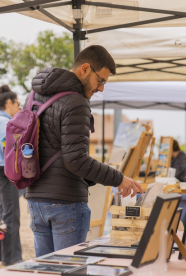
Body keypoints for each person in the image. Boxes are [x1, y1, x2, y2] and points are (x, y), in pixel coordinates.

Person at [26, 45, 143, 257]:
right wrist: (119, 179)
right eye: (101, 81)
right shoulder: (76, 102)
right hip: (65, 202)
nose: (101, 89)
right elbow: (76, 160)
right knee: (71, 270)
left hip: (36, 200)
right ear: (85, 69)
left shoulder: (33, 96)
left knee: (45, 272)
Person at [0, 85, 22, 266]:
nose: (19, 107)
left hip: (0, 169)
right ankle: (11, 257)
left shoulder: (1, 120)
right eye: (17, 103)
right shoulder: (3, 122)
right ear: (9, 102)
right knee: (11, 214)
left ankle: (0, 254)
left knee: (4, 212)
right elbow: (8, 147)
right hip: (5, 170)